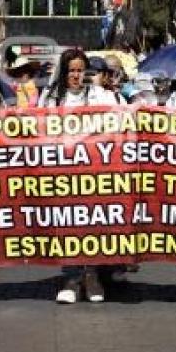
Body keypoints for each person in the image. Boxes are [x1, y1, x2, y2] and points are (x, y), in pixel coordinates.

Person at [39, 49, 117, 304]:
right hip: (62, 172)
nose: (75, 75)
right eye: (71, 70)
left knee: (92, 224)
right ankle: (73, 278)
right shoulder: (50, 99)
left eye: (80, 70)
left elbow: (119, 123)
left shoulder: (101, 96)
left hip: (95, 172)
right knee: (68, 225)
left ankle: (92, 275)